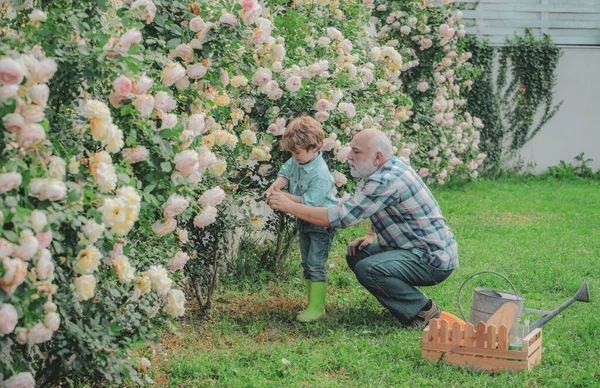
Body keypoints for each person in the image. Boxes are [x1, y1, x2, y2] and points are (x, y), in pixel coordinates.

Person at [267, 128, 458, 329]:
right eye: (351, 150)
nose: (349, 156)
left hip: (431, 260)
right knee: (358, 254)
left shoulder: (386, 180)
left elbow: (341, 217)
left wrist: (290, 207)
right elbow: (380, 207)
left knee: (368, 268)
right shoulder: (391, 167)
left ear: (377, 157)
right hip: (418, 250)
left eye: (356, 152)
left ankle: (422, 311)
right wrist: (370, 235)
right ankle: (408, 303)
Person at [264, 116, 339, 322]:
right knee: (307, 262)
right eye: (292, 152)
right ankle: (311, 303)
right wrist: (276, 187)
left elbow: (310, 204)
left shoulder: (321, 174)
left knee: (315, 263)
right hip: (304, 218)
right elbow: (285, 172)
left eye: (297, 152)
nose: (294, 156)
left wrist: (284, 198)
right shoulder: (298, 159)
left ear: (314, 147)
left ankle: (317, 308)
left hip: (321, 221)